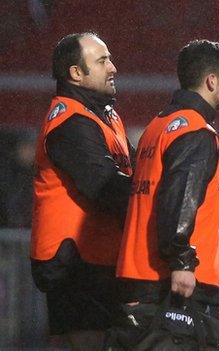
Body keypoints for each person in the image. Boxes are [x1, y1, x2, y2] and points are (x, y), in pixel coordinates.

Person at [114, 39, 219, 347]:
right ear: (211, 81)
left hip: (140, 274)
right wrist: (182, 262)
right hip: (171, 283)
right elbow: (180, 199)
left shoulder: (159, 126)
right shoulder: (197, 132)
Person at [30, 32, 134, 350]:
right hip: (74, 259)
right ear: (76, 73)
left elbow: (132, 170)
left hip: (93, 256)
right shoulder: (70, 122)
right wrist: (156, 200)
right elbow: (104, 186)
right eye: (102, 61)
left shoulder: (104, 115)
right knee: (86, 340)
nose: (113, 67)